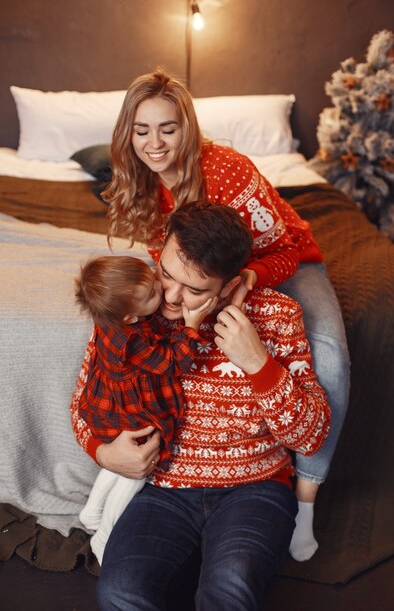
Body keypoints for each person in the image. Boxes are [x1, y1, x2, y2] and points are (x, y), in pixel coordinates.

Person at [101, 67, 350, 560]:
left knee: (331, 355)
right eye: (142, 130)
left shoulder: (227, 171)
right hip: (211, 280)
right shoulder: (140, 183)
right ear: (127, 133)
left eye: (168, 129)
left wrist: (246, 282)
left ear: (186, 129)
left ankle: (304, 502)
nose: (155, 143)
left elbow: (282, 249)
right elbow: (164, 267)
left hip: (278, 261)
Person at [71, 201, 331, 610]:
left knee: (229, 590)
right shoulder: (132, 309)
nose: (170, 298)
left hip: (255, 487)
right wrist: (104, 452)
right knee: (119, 592)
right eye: (166, 275)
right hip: (162, 490)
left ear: (228, 284)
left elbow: (313, 434)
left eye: (194, 289)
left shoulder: (277, 315)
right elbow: (84, 402)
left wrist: (258, 365)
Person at [74, 254, 215, 563]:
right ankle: (105, 533)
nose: (161, 290)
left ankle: (91, 510)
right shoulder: (132, 342)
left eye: (154, 276)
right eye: (153, 293)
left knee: (116, 466)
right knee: (135, 473)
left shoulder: (109, 318)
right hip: (132, 415)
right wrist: (191, 327)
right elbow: (174, 363)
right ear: (129, 318)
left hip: (106, 408)